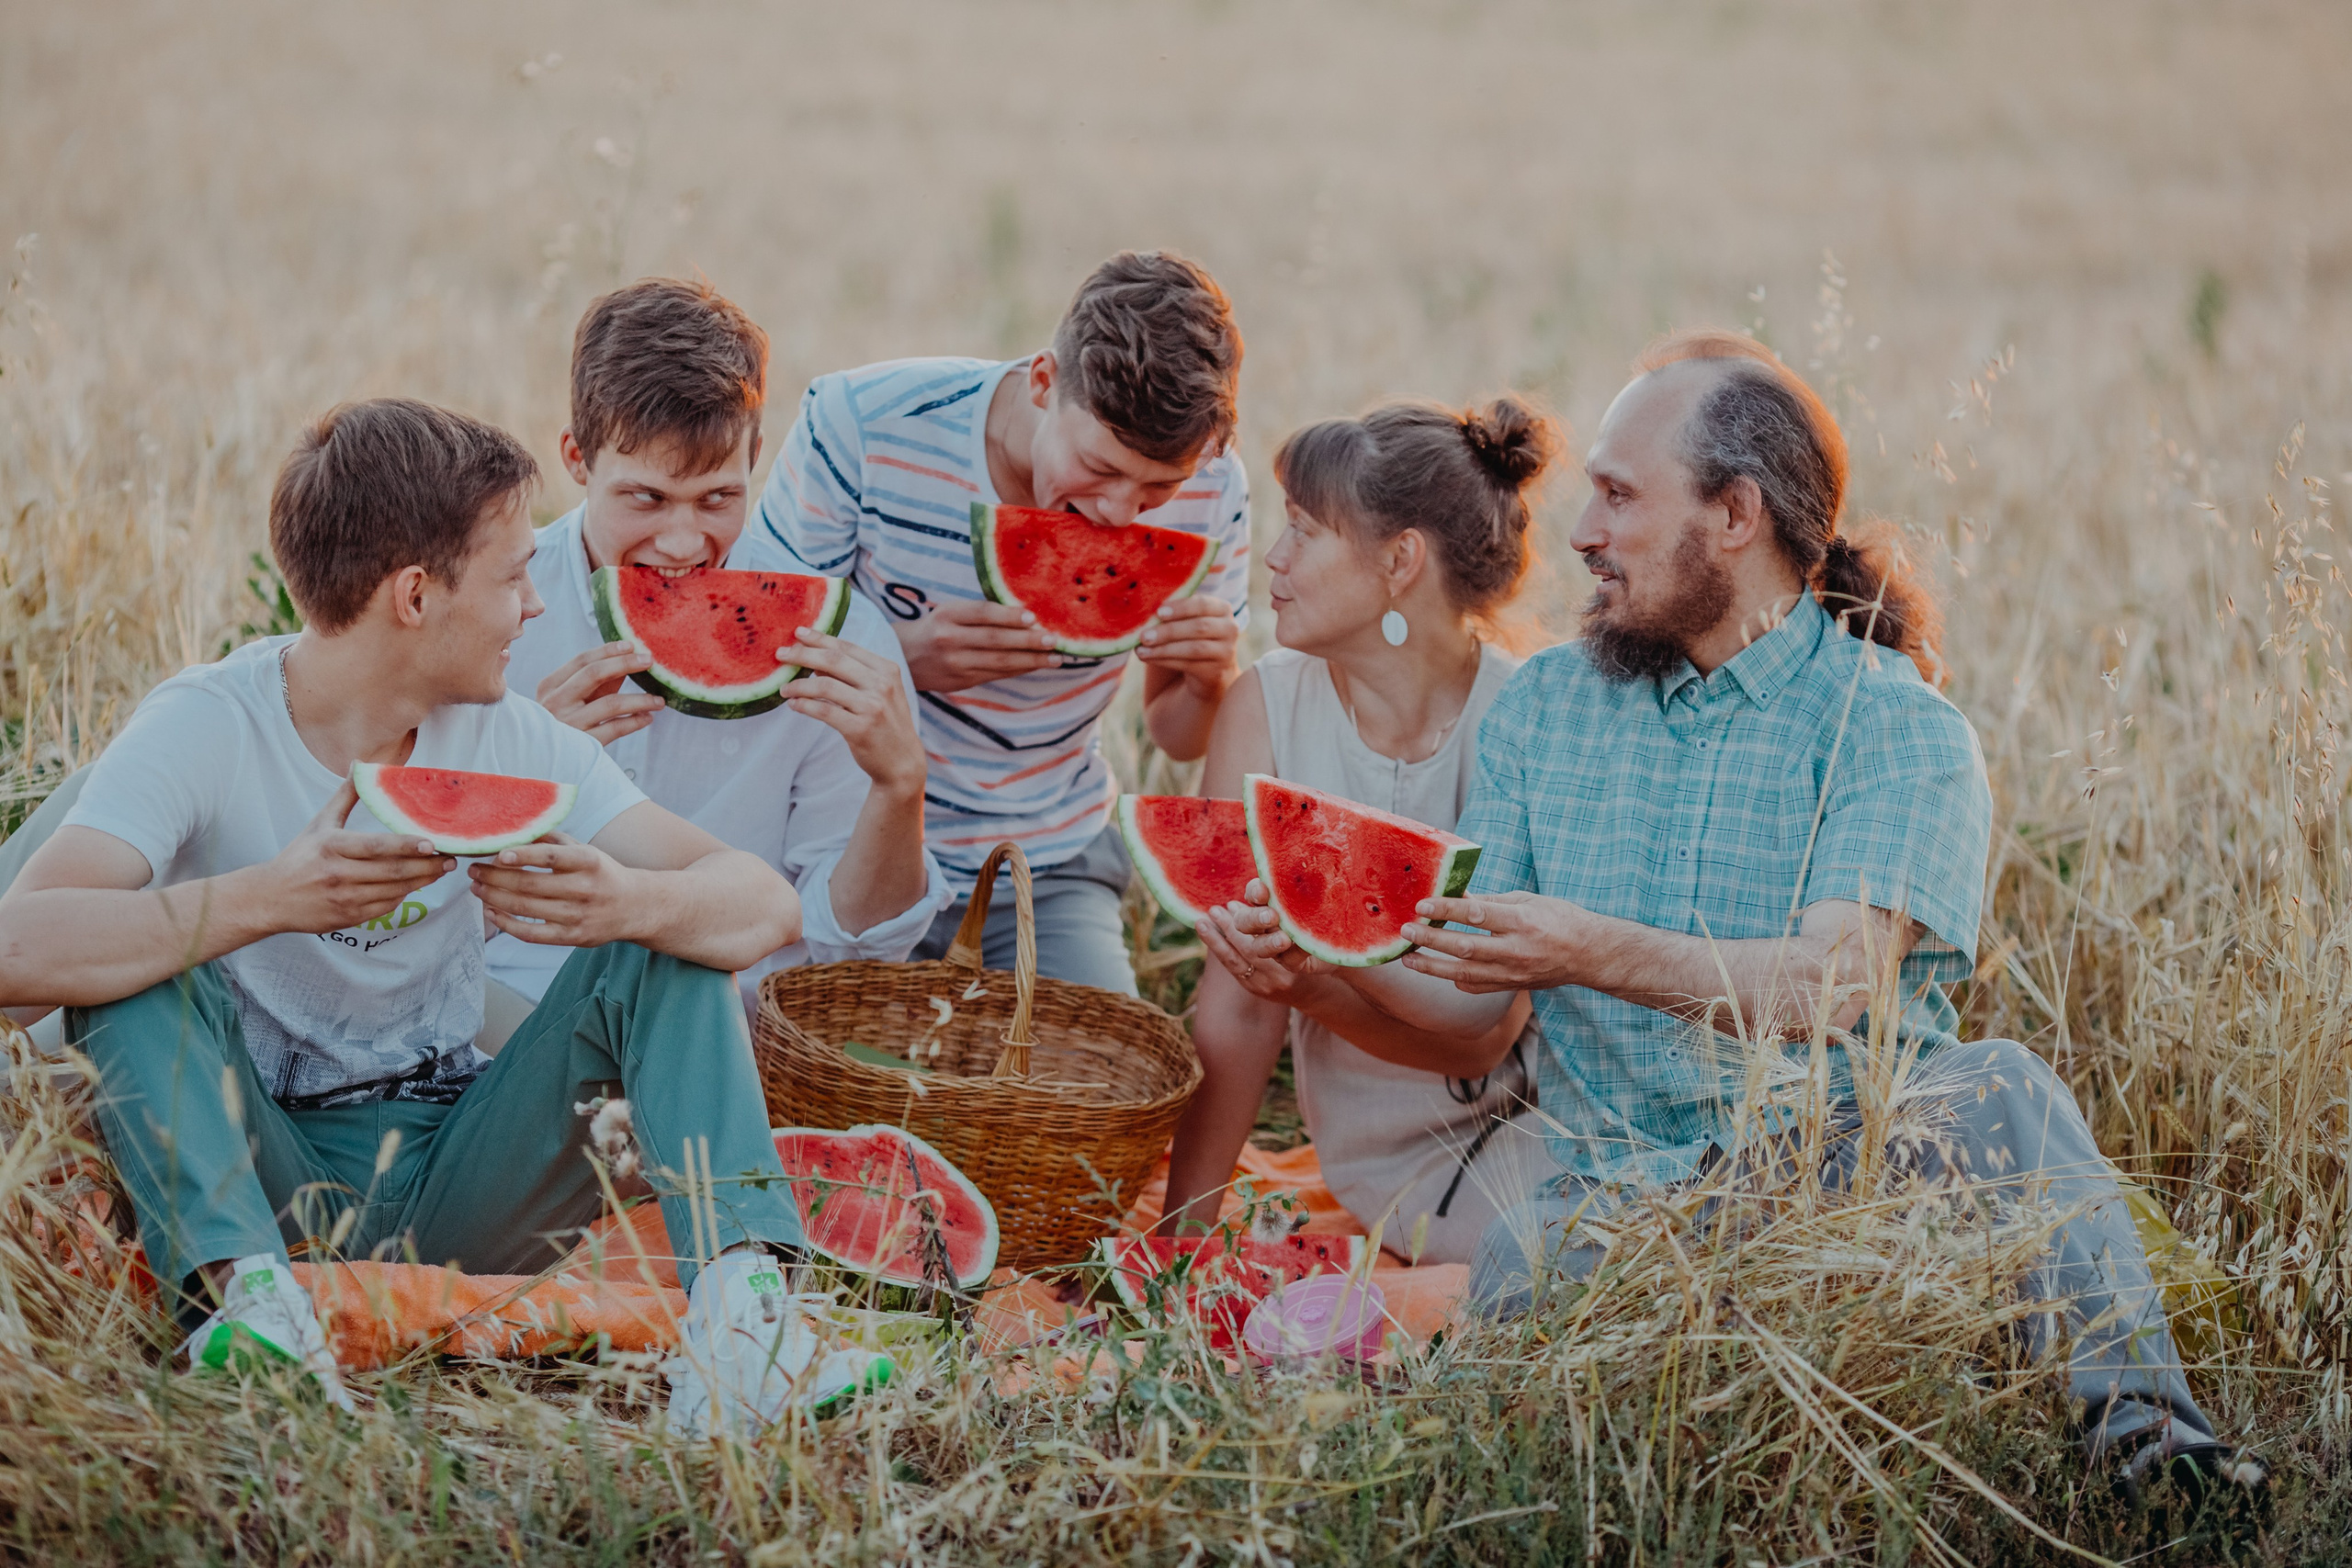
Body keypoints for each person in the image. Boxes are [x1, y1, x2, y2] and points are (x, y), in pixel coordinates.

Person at [1214, 333, 2264, 1495]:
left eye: (1618, 496)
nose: (1580, 535)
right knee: (1525, 1252)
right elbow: (1471, 999)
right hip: (1612, 1206)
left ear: (1733, 517)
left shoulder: (1895, 730)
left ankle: (2155, 1453)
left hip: (1835, 1181)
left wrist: (1592, 950)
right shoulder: (1549, 709)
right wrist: (1307, 966)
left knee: (1999, 1087)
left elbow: (1829, 984)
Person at [0, 400, 841, 1436]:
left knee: (669, 941)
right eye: (512, 575)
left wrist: (628, 900)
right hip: (261, 1167)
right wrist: (270, 900)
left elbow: (763, 902)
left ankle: (745, 1328)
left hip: (462, 1169)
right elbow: (17, 950)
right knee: (136, 954)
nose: (536, 605)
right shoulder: (208, 723)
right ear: (414, 595)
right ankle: (246, 1310)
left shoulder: (514, 738)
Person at [739, 251, 1250, 994]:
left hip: (1048, 858)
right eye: (1099, 466)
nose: (1118, 513)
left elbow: (1177, 733)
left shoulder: (1213, 481)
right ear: (1044, 382)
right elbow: (758, 653)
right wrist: (903, 657)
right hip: (844, 843)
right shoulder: (860, 425)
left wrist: (1210, 679)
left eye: (1158, 488)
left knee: (1094, 1102)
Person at [1159, 397, 1565, 1263]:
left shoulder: (1527, 716)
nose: (1273, 556)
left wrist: (1311, 980)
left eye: (1304, 529)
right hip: (1379, 1152)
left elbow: (1487, 1028)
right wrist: (1180, 1239)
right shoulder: (1265, 707)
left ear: (1399, 561)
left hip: (1551, 1115)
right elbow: (1236, 1004)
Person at [496, 277, 949, 1016]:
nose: (682, 543)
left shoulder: (838, 638)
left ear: (756, 455)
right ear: (577, 458)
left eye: (717, 499)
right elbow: (408, 917)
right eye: (645, 499)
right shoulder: (493, 616)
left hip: (732, 1026)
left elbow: (856, 949)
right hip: (518, 1007)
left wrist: (901, 787)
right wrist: (517, 785)